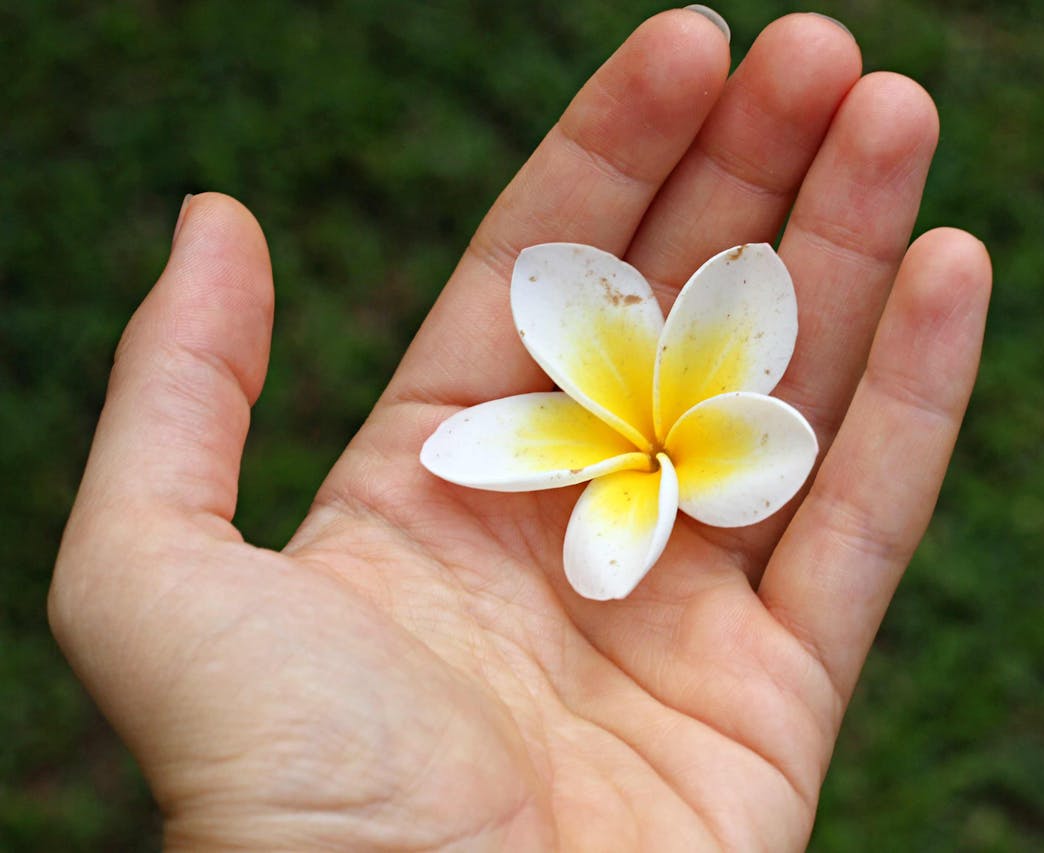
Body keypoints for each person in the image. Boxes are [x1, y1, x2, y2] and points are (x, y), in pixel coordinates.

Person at [49, 8, 990, 850]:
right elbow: (502, 397)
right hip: (625, 446)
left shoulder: (728, 409)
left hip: (658, 447)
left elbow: (756, 422)